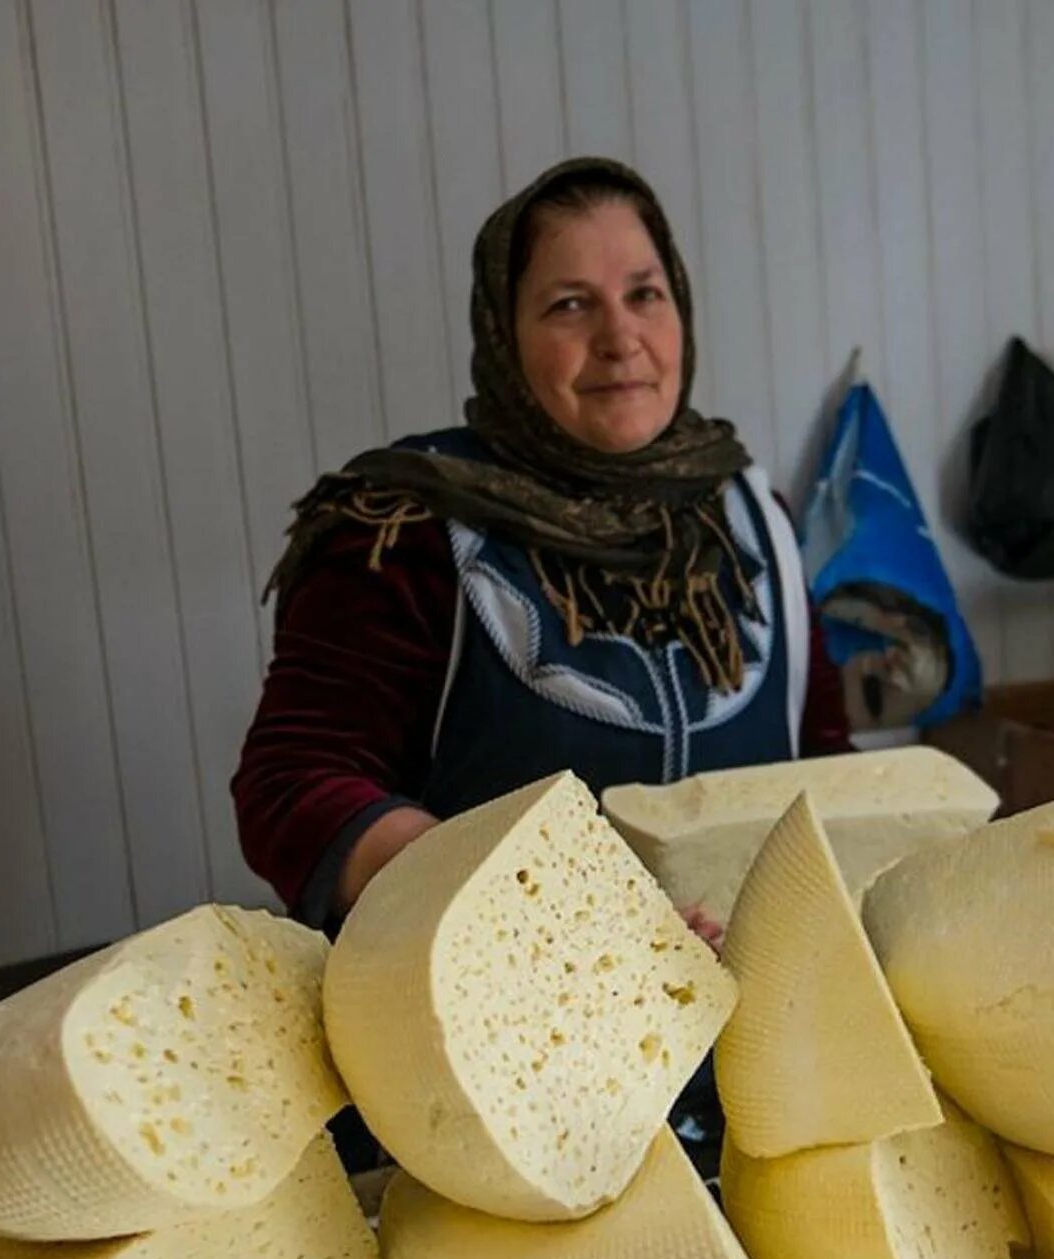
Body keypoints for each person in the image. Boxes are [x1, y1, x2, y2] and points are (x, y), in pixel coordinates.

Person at [233, 157, 849, 938]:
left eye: (644, 295)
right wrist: (537, 909)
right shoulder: (405, 527)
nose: (620, 338)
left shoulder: (751, 517)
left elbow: (829, 763)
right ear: (503, 333)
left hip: (758, 1027)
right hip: (502, 1030)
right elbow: (294, 782)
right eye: (569, 305)